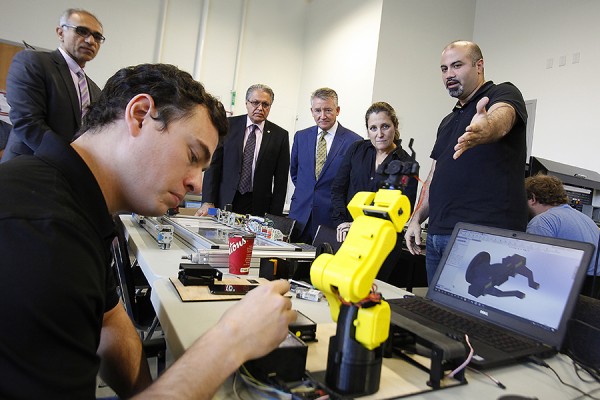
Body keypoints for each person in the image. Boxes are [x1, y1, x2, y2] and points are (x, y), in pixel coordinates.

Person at [0, 64, 296, 399]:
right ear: (140, 115)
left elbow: (109, 322)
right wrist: (232, 338)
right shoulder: (44, 233)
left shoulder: (72, 200)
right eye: (193, 155)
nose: (196, 182)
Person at [404, 40, 528, 284]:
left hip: (482, 237)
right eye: (444, 69)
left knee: (473, 318)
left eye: (457, 65)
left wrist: (487, 126)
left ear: (479, 65)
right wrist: (416, 218)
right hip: (438, 235)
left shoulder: (502, 93)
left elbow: (501, 117)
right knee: (438, 317)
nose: (449, 74)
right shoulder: (448, 121)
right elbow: (433, 177)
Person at [331, 101, 418, 280]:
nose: (379, 134)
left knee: (369, 292)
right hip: (350, 238)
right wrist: (341, 221)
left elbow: (403, 211)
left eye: (385, 126)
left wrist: (359, 224)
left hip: (382, 244)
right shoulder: (357, 149)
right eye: (373, 128)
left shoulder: (407, 164)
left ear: (395, 126)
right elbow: (338, 188)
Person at [1, 8, 104, 162]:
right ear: (60, 32)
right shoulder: (32, 62)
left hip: (65, 177)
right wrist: (69, 162)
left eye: (97, 36)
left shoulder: (95, 90)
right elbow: (27, 121)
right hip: (27, 167)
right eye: (82, 31)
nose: (90, 41)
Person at [196, 84, 290, 217]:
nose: (260, 108)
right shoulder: (227, 126)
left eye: (265, 104)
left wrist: (275, 215)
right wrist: (208, 201)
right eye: (255, 102)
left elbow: (281, 181)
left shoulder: (280, 136)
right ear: (246, 103)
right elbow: (214, 166)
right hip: (225, 200)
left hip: (258, 206)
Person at [288, 88, 361, 243]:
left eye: (328, 110)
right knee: (290, 266)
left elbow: (353, 184)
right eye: (317, 110)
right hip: (299, 217)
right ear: (311, 111)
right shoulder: (301, 137)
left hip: (331, 221)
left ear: (338, 110)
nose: (322, 116)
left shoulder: (354, 142)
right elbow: (295, 173)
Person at [525, 174, 600, 296]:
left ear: (533, 198)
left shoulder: (541, 222)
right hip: (592, 289)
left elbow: (536, 268)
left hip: (571, 289)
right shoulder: (584, 218)